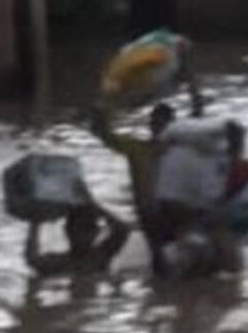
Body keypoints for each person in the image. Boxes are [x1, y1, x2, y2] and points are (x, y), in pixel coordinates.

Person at [90, 102, 176, 233]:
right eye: (155, 124)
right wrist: (99, 113)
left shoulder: (183, 152)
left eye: (162, 124)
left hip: (172, 212)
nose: (158, 128)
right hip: (150, 214)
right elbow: (105, 136)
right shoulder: (138, 149)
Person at [24, 202, 129, 276]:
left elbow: (122, 228)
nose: (80, 236)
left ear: (96, 232)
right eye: (76, 230)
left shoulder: (101, 256)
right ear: (67, 231)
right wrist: (35, 223)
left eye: (85, 230)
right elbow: (32, 259)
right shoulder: (58, 262)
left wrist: (95, 207)